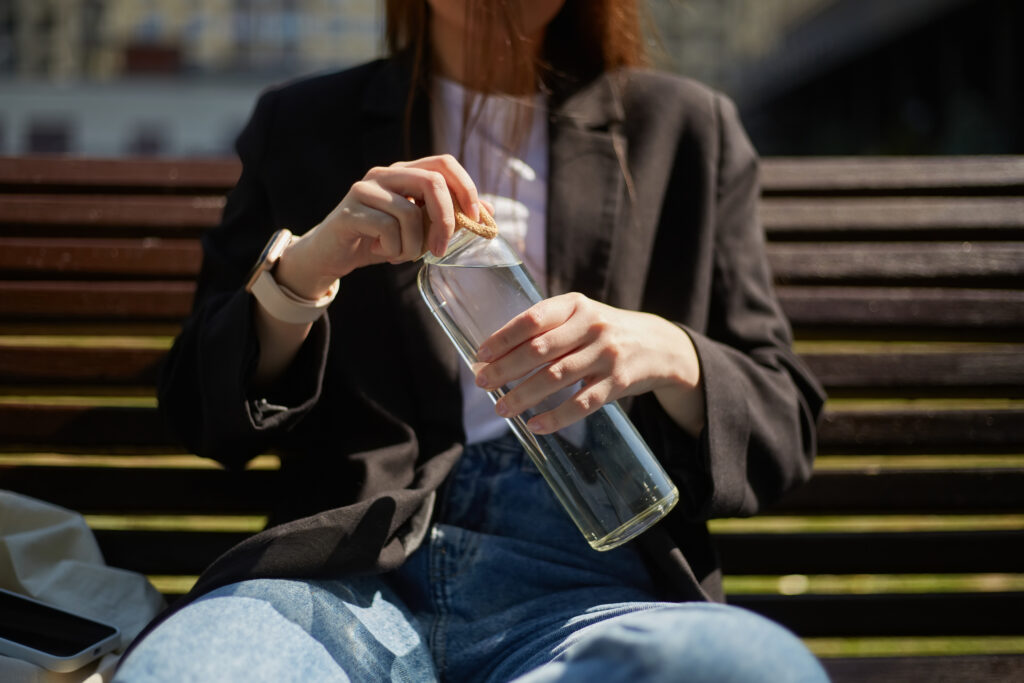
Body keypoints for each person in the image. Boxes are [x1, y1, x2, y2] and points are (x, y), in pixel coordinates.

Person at [115, 0, 829, 680]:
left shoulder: (683, 129)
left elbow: (782, 423)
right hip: (341, 575)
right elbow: (197, 411)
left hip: (589, 585)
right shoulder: (305, 122)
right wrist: (299, 274)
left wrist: (667, 352)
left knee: (747, 668)